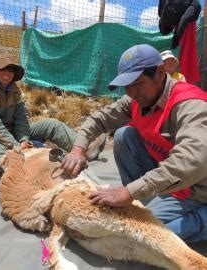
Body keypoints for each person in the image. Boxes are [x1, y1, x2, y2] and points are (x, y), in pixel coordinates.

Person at [61, 44, 207, 243]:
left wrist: (130, 191)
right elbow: (99, 119)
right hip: (171, 179)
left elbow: (190, 163)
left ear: (160, 72)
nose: (131, 92)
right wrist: (78, 150)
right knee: (123, 135)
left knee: (145, 234)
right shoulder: (137, 100)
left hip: (197, 188)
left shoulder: (191, 105)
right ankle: (144, 202)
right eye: (126, 86)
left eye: (137, 83)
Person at [0, 53, 106, 187]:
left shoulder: (15, 91)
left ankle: (85, 148)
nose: (7, 73)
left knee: (52, 124)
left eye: (10, 70)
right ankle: (3, 173)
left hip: (14, 132)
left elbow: (21, 119)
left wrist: (24, 138)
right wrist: (16, 146)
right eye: (3, 69)